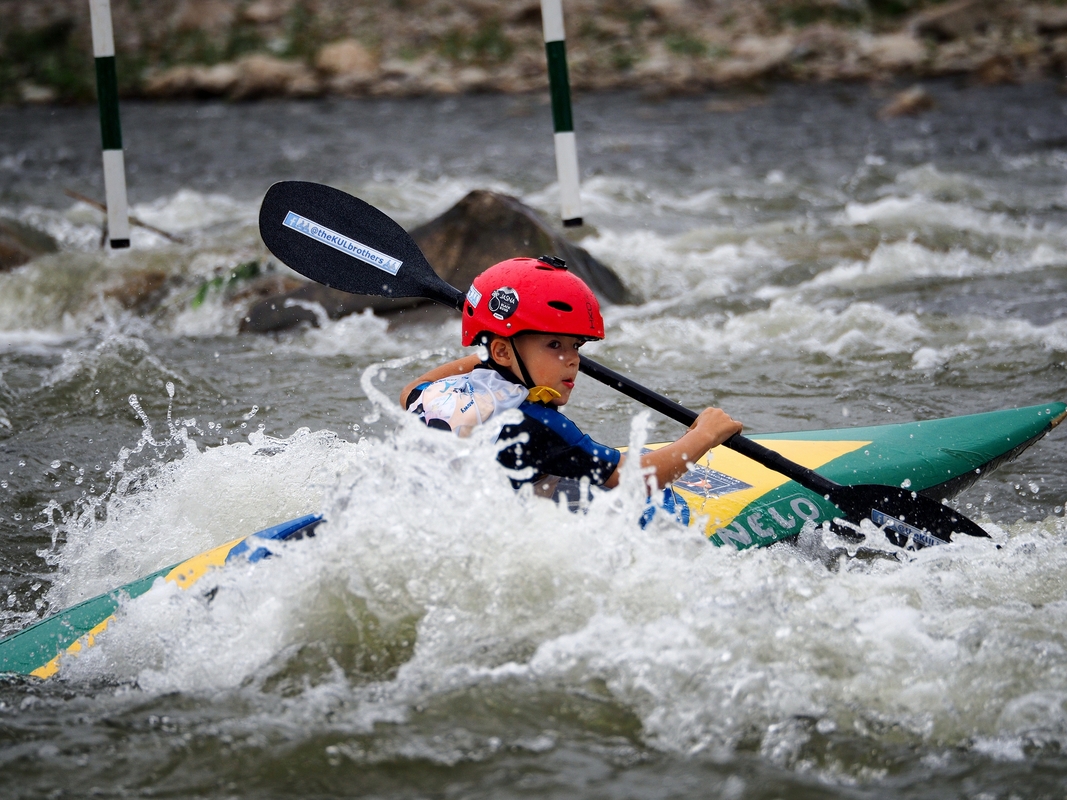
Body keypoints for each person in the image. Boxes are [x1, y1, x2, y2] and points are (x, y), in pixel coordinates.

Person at [399, 256, 742, 499]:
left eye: (575, 346)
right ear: (503, 353)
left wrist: (489, 352)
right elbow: (636, 480)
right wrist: (703, 436)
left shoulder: (437, 394)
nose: (573, 360)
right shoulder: (538, 424)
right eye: (554, 345)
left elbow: (409, 390)